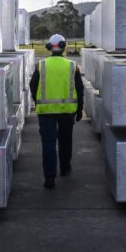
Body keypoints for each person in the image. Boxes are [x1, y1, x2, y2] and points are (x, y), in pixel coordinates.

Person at [29, 33, 84, 189]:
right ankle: (65, 168)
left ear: (49, 48)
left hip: (45, 111)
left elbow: (33, 86)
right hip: (67, 111)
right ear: (64, 46)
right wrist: (80, 110)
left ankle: (49, 177)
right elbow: (80, 90)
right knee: (66, 140)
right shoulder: (73, 66)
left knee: (48, 143)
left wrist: (38, 102)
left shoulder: (41, 65)